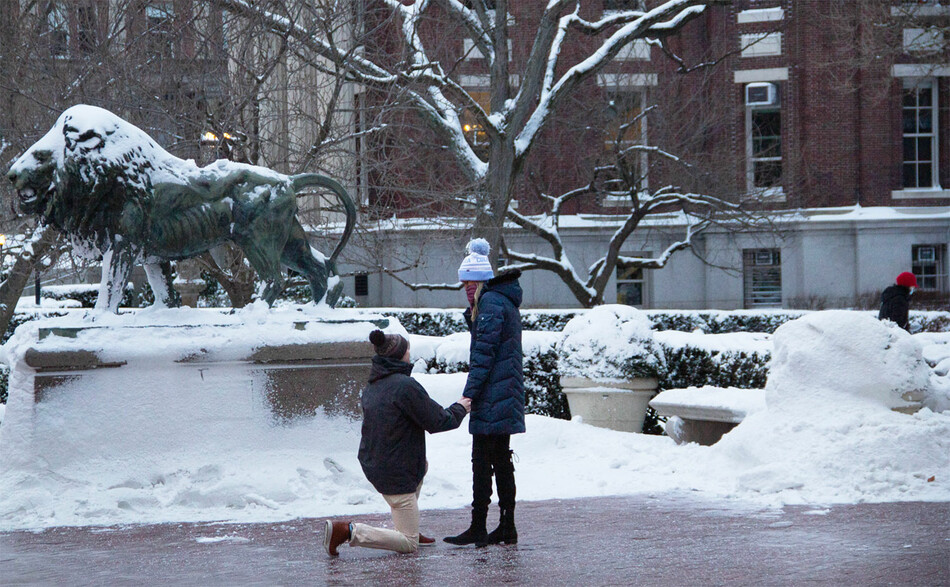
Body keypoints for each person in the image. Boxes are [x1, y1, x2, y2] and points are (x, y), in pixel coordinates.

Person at [323, 329, 471, 556]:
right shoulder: (404, 386)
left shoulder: (374, 385)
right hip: (395, 471)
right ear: (400, 355)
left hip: (377, 462)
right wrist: (461, 407)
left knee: (423, 465)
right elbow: (438, 421)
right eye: (407, 349)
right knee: (408, 544)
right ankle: (348, 531)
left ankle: (408, 524)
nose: (410, 352)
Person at [445, 238, 525, 547]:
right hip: (501, 393)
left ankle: (482, 525)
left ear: (481, 282)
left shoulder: (491, 303)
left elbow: (484, 355)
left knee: (484, 461)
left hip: (494, 395)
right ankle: (505, 525)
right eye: (463, 283)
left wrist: (468, 397)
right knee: (498, 461)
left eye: (470, 283)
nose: (466, 288)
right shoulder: (497, 302)